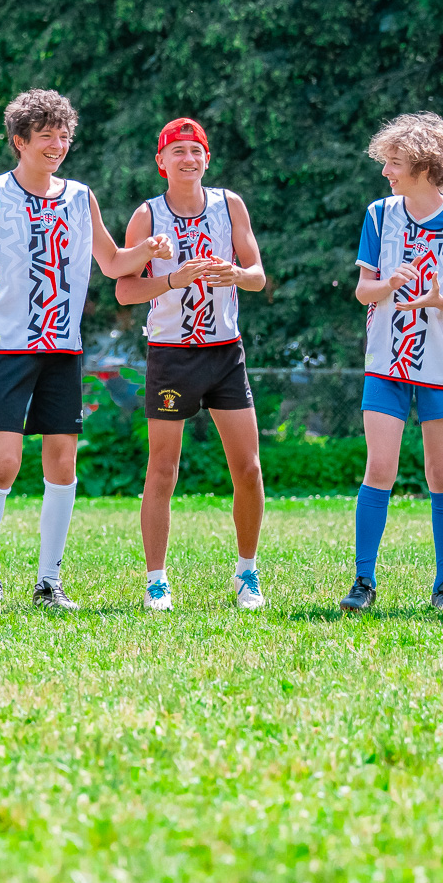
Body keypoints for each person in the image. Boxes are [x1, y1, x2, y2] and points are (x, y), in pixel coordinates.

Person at [0, 88, 171, 611]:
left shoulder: (81, 196)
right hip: (5, 350)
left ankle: (48, 584)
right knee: (4, 463)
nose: (58, 145)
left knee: (62, 464)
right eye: (46, 137)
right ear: (19, 141)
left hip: (63, 348)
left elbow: (111, 262)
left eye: (64, 136)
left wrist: (146, 252)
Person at [115, 118, 267, 611]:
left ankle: (247, 574)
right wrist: (173, 279)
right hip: (171, 355)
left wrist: (236, 273)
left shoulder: (230, 205)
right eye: (177, 150)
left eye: (195, 150)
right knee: (163, 469)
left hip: (225, 351)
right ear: (161, 162)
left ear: (207, 159)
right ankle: (156, 581)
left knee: (248, 468)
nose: (187, 158)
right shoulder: (147, 216)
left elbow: (259, 277)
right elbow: (124, 289)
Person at [339, 112, 443, 614]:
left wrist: (440, 301)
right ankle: (363, 581)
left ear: (423, 166)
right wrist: (391, 285)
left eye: (394, 163)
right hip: (385, 363)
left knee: (442, 474)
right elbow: (363, 291)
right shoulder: (380, 215)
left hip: (442, 367)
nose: (386, 172)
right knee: (379, 467)